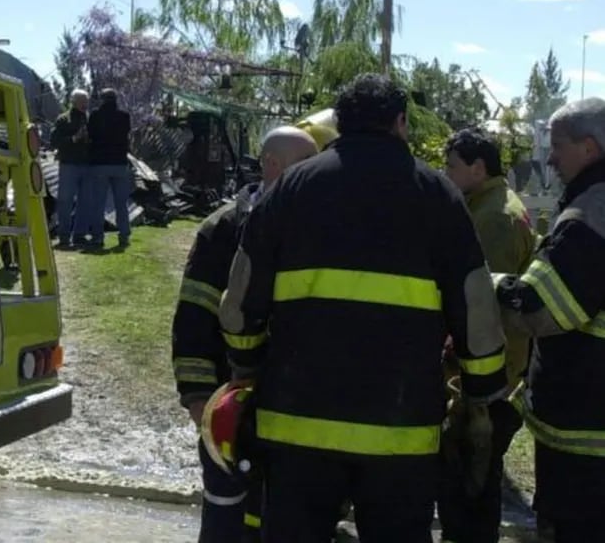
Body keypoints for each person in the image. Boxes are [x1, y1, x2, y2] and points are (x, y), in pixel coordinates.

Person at [218, 73, 508, 542]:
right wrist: (482, 391)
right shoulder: (438, 195)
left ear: (341, 124)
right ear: (400, 123)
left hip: (296, 427)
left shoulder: (290, 188)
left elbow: (241, 300)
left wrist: (247, 364)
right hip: (401, 432)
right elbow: (475, 305)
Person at [172, 125, 327, 543]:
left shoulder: (316, 230)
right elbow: (193, 319)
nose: (314, 175)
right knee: (227, 518)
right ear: (272, 166)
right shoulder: (223, 229)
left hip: (294, 412)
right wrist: (200, 400)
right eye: (305, 165)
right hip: (232, 410)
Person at [490, 97, 605, 543]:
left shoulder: (590, 215)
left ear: (590, 148)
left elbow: (543, 308)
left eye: (557, 146)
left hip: (587, 436)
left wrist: (495, 284)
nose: (551, 157)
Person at [439, 128, 536, 543]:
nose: (446, 175)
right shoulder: (486, 206)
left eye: (452, 167)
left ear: (478, 169)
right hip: (489, 375)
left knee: (469, 492)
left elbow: (483, 306)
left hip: (486, 382)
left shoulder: (494, 218)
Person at [86, 88, 132, 249]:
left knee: (99, 203)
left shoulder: (95, 116)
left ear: (102, 99)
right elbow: (126, 135)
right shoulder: (124, 117)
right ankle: (124, 236)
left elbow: (90, 135)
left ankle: (98, 237)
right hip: (119, 163)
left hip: (99, 163)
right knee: (121, 203)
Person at [49, 89, 92, 248]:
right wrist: (74, 138)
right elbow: (53, 142)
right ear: (74, 101)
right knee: (65, 201)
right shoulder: (63, 119)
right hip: (69, 165)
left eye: (86, 101)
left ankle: (80, 236)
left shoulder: (90, 120)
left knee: (85, 202)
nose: (85, 104)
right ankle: (64, 237)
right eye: (82, 101)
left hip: (87, 165)